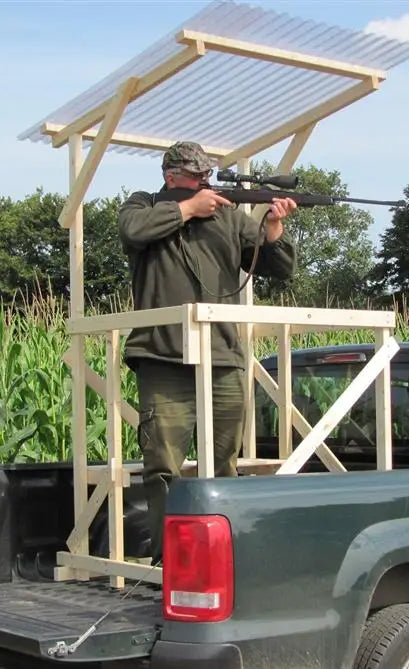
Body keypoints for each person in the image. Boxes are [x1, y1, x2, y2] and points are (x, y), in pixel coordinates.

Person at [118, 141, 298, 561]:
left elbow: (279, 268)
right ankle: (170, 561)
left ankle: (221, 559)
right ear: (171, 177)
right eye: (197, 177)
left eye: (208, 177)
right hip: (163, 356)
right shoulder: (142, 204)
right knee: (163, 465)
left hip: (223, 356)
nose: (206, 184)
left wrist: (273, 227)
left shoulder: (230, 216)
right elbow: (132, 230)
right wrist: (187, 209)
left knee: (224, 465)